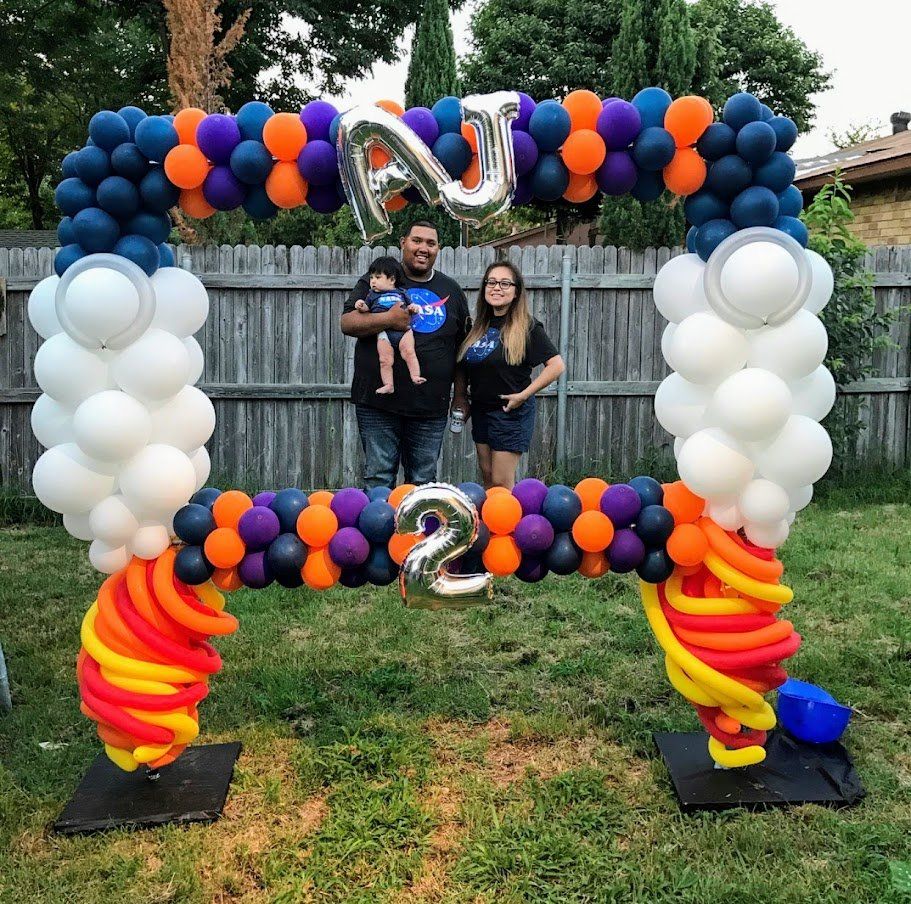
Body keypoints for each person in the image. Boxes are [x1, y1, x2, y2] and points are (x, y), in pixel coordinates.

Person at [341, 220, 471, 489]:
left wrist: (459, 396)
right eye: (417, 241)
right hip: (378, 403)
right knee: (379, 478)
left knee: (423, 483)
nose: (423, 248)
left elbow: (461, 350)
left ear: (438, 249)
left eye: (431, 243)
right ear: (403, 242)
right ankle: (379, 531)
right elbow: (348, 323)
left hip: (430, 407)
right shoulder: (378, 279)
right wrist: (389, 319)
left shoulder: (452, 290)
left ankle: (417, 533)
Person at [459, 261, 565, 489]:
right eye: (492, 282)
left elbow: (556, 365)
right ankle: (491, 525)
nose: (497, 287)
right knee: (487, 477)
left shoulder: (527, 327)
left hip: (510, 412)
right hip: (481, 410)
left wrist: (524, 395)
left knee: (501, 482)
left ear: (516, 291)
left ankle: (508, 526)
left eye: (505, 283)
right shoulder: (478, 327)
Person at [352, 256, 425, 394]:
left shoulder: (401, 293)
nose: (373, 281)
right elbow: (367, 308)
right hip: (384, 332)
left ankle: (415, 376)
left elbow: (410, 306)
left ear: (392, 279)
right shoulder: (372, 295)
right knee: (385, 360)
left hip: (404, 332)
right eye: (371, 277)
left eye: (378, 277)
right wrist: (360, 305)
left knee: (409, 353)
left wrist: (413, 308)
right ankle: (388, 385)